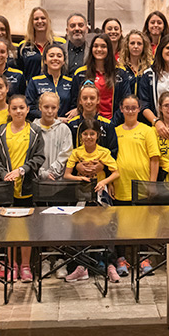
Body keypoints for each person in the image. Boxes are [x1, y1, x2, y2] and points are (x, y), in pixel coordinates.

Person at [0, 94, 45, 282]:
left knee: (25, 229)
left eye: (22, 107)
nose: (18, 111)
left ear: (28, 109)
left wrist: (22, 170)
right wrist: (4, 173)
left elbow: (39, 158)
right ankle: (10, 264)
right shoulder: (1, 131)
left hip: (27, 188)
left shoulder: (35, 132)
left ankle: (25, 266)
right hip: (6, 189)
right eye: (14, 108)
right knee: (8, 229)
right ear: (9, 110)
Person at [63, 118, 120, 282]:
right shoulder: (76, 152)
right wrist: (79, 178)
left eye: (92, 134)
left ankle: (110, 265)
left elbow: (116, 172)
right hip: (82, 197)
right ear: (81, 136)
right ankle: (82, 267)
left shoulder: (103, 152)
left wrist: (103, 182)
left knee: (106, 230)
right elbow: (67, 175)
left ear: (97, 135)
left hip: (100, 197)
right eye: (85, 134)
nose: (89, 137)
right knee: (81, 231)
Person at [111, 95, 160, 275]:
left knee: (143, 224)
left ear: (139, 109)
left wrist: (152, 184)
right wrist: (111, 182)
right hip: (121, 184)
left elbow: (154, 158)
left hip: (142, 185)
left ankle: (143, 259)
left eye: (134, 107)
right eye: (127, 107)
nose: (130, 111)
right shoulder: (115, 131)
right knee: (121, 226)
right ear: (121, 109)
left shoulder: (148, 131)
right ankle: (122, 260)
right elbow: (111, 159)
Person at [71, 35, 130, 122]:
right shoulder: (80, 73)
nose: (99, 49)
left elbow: (125, 101)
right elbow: (74, 102)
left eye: (103, 46)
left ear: (109, 49)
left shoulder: (121, 72)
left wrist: (111, 124)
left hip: (113, 123)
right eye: (95, 46)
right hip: (87, 125)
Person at [27, 43, 75, 121]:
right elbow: (29, 108)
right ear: (45, 60)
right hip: (41, 126)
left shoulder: (71, 82)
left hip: (65, 126)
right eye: (51, 56)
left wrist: (76, 110)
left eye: (59, 56)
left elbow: (75, 105)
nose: (55, 58)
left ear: (63, 61)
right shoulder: (35, 81)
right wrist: (54, 118)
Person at [67, 83, 119, 157]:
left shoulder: (107, 125)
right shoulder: (71, 124)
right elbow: (67, 151)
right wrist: (77, 166)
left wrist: (102, 165)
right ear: (80, 101)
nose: (88, 102)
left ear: (98, 100)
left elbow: (113, 151)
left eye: (92, 98)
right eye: (85, 98)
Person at [33, 92, 73, 182]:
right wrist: (42, 174)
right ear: (40, 107)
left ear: (58, 108)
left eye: (53, 107)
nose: (50, 111)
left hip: (58, 181)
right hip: (36, 180)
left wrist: (52, 172)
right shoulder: (32, 129)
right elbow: (29, 156)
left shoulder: (64, 130)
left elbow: (66, 154)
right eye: (46, 107)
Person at [17, 7, 65, 80]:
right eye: (36, 19)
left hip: (55, 88)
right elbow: (20, 73)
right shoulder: (23, 46)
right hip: (31, 89)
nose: (40, 21)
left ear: (48, 21)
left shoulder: (60, 43)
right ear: (31, 22)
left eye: (43, 18)